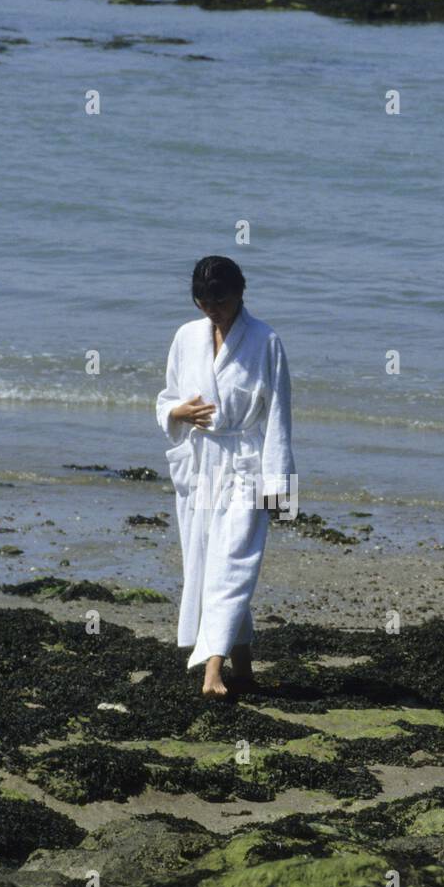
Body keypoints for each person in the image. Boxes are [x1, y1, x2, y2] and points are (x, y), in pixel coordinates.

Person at [156, 256, 295, 697]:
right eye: (203, 301)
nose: (212, 309)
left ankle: (212, 673)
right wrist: (177, 413)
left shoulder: (265, 341)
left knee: (231, 564)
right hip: (201, 464)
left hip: (248, 465)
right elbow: (168, 398)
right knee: (207, 561)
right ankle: (245, 669)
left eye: (221, 300)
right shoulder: (186, 337)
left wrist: (280, 490)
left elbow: (278, 418)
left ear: (241, 292)